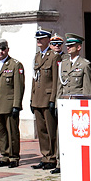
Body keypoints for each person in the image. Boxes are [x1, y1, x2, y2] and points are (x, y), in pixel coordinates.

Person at [0, 39, 24, 168]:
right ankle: (4, 155)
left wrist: (16, 105)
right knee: (0, 133)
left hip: (9, 104)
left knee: (12, 132)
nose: (1, 52)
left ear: (8, 49)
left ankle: (14, 157)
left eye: (3, 49)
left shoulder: (15, 65)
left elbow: (19, 86)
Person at [31, 29, 59, 171]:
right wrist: (31, 98)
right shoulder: (37, 57)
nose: (39, 41)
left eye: (41, 39)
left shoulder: (54, 57)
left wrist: (53, 99)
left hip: (48, 98)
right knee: (41, 130)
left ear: (48, 40)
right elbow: (34, 79)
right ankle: (45, 156)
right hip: (37, 98)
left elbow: (55, 80)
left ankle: (53, 157)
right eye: (37, 39)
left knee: (51, 130)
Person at [58, 33, 91, 98]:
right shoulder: (63, 64)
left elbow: (87, 87)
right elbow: (60, 86)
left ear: (78, 47)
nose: (68, 47)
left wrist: (85, 102)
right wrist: (57, 104)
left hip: (77, 101)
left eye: (71, 46)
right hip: (64, 100)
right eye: (67, 46)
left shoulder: (85, 64)